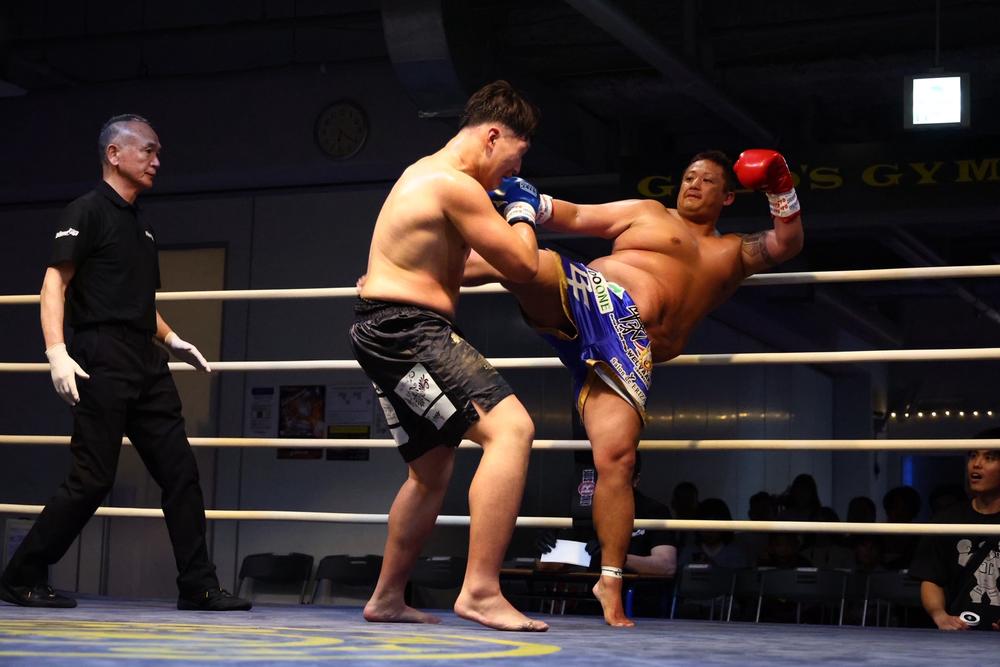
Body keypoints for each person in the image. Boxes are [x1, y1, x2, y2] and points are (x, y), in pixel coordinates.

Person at [466, 148, 804, 625]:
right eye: (688, 177)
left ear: (728, 196)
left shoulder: (731, 252)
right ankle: (423, 275)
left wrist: (779, 187)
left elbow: (787, 243)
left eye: (707, 180)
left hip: (628, 348)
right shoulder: (646, 212)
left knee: (618, 460)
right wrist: (532, 202)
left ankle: (609, 581)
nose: (693, 185)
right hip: (594, 298)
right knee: (523, 265)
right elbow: (576, 215)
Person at [0, 115, 249, 611]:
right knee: (92, 478)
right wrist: (56, 352)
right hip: (102, 355)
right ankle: (21, 575)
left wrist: (173, 339)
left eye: (158, 153)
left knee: (181, 472)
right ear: (114, 154)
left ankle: (198, 586)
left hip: (145, 361)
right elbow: (55, 283)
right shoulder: (86, 210)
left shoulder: (142, 225)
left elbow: (138, 302)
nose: (157, 161)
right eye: (148, 150)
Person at [349, 81, 547, 632]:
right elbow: (523, 265)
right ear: (492, 137)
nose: (513, 171)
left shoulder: (424, 174)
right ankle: (481, 590)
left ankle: (387, 597)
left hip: (387, 332)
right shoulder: (455, 185)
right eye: (516, 157)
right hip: (409, 333)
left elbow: (465, 265)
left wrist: (521, 247)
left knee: (430, 471)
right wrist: (523, 211)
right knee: (511, 430)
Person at [909, 447, 1000, 631]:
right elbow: (931, 578)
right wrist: (939, 615)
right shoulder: (946, 519)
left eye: (989, 457)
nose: (976, 464)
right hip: (957, 634)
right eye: (973, 456)